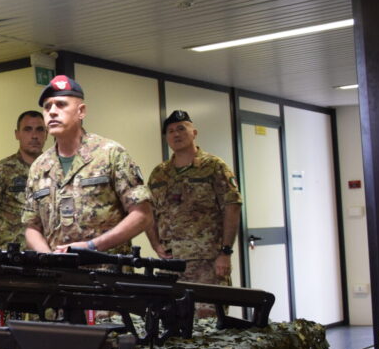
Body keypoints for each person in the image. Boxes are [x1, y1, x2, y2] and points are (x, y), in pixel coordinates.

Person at [23, 75, 151, 254]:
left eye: (61, 104)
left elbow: (143, 215)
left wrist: (92, 247)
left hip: (105, 267)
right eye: (47, 107)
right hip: (58, 269)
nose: (52, 111)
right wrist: (49, 258)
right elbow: (31, 226)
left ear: (81, 111)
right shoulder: (39, 167)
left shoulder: (110, 154)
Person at [146, 110, 242, 284]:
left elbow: (232, 207)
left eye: (181, 129)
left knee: (210, 303)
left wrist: (226, 252)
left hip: (208, 262)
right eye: (170, 131)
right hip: (170, 262)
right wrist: (155, 244)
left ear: (194, 133)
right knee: (172, 303)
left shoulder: (214, 166)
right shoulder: (159, 174)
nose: (176, 134)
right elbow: (148, 212)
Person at [0, 110, 47, 249]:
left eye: (40, 129)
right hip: (14, 257)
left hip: (48, 254)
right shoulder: (0, 171)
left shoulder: (55, 170)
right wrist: (7, 241)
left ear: (46, 134)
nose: (34, 136)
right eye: (27, 129)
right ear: (17, 134)